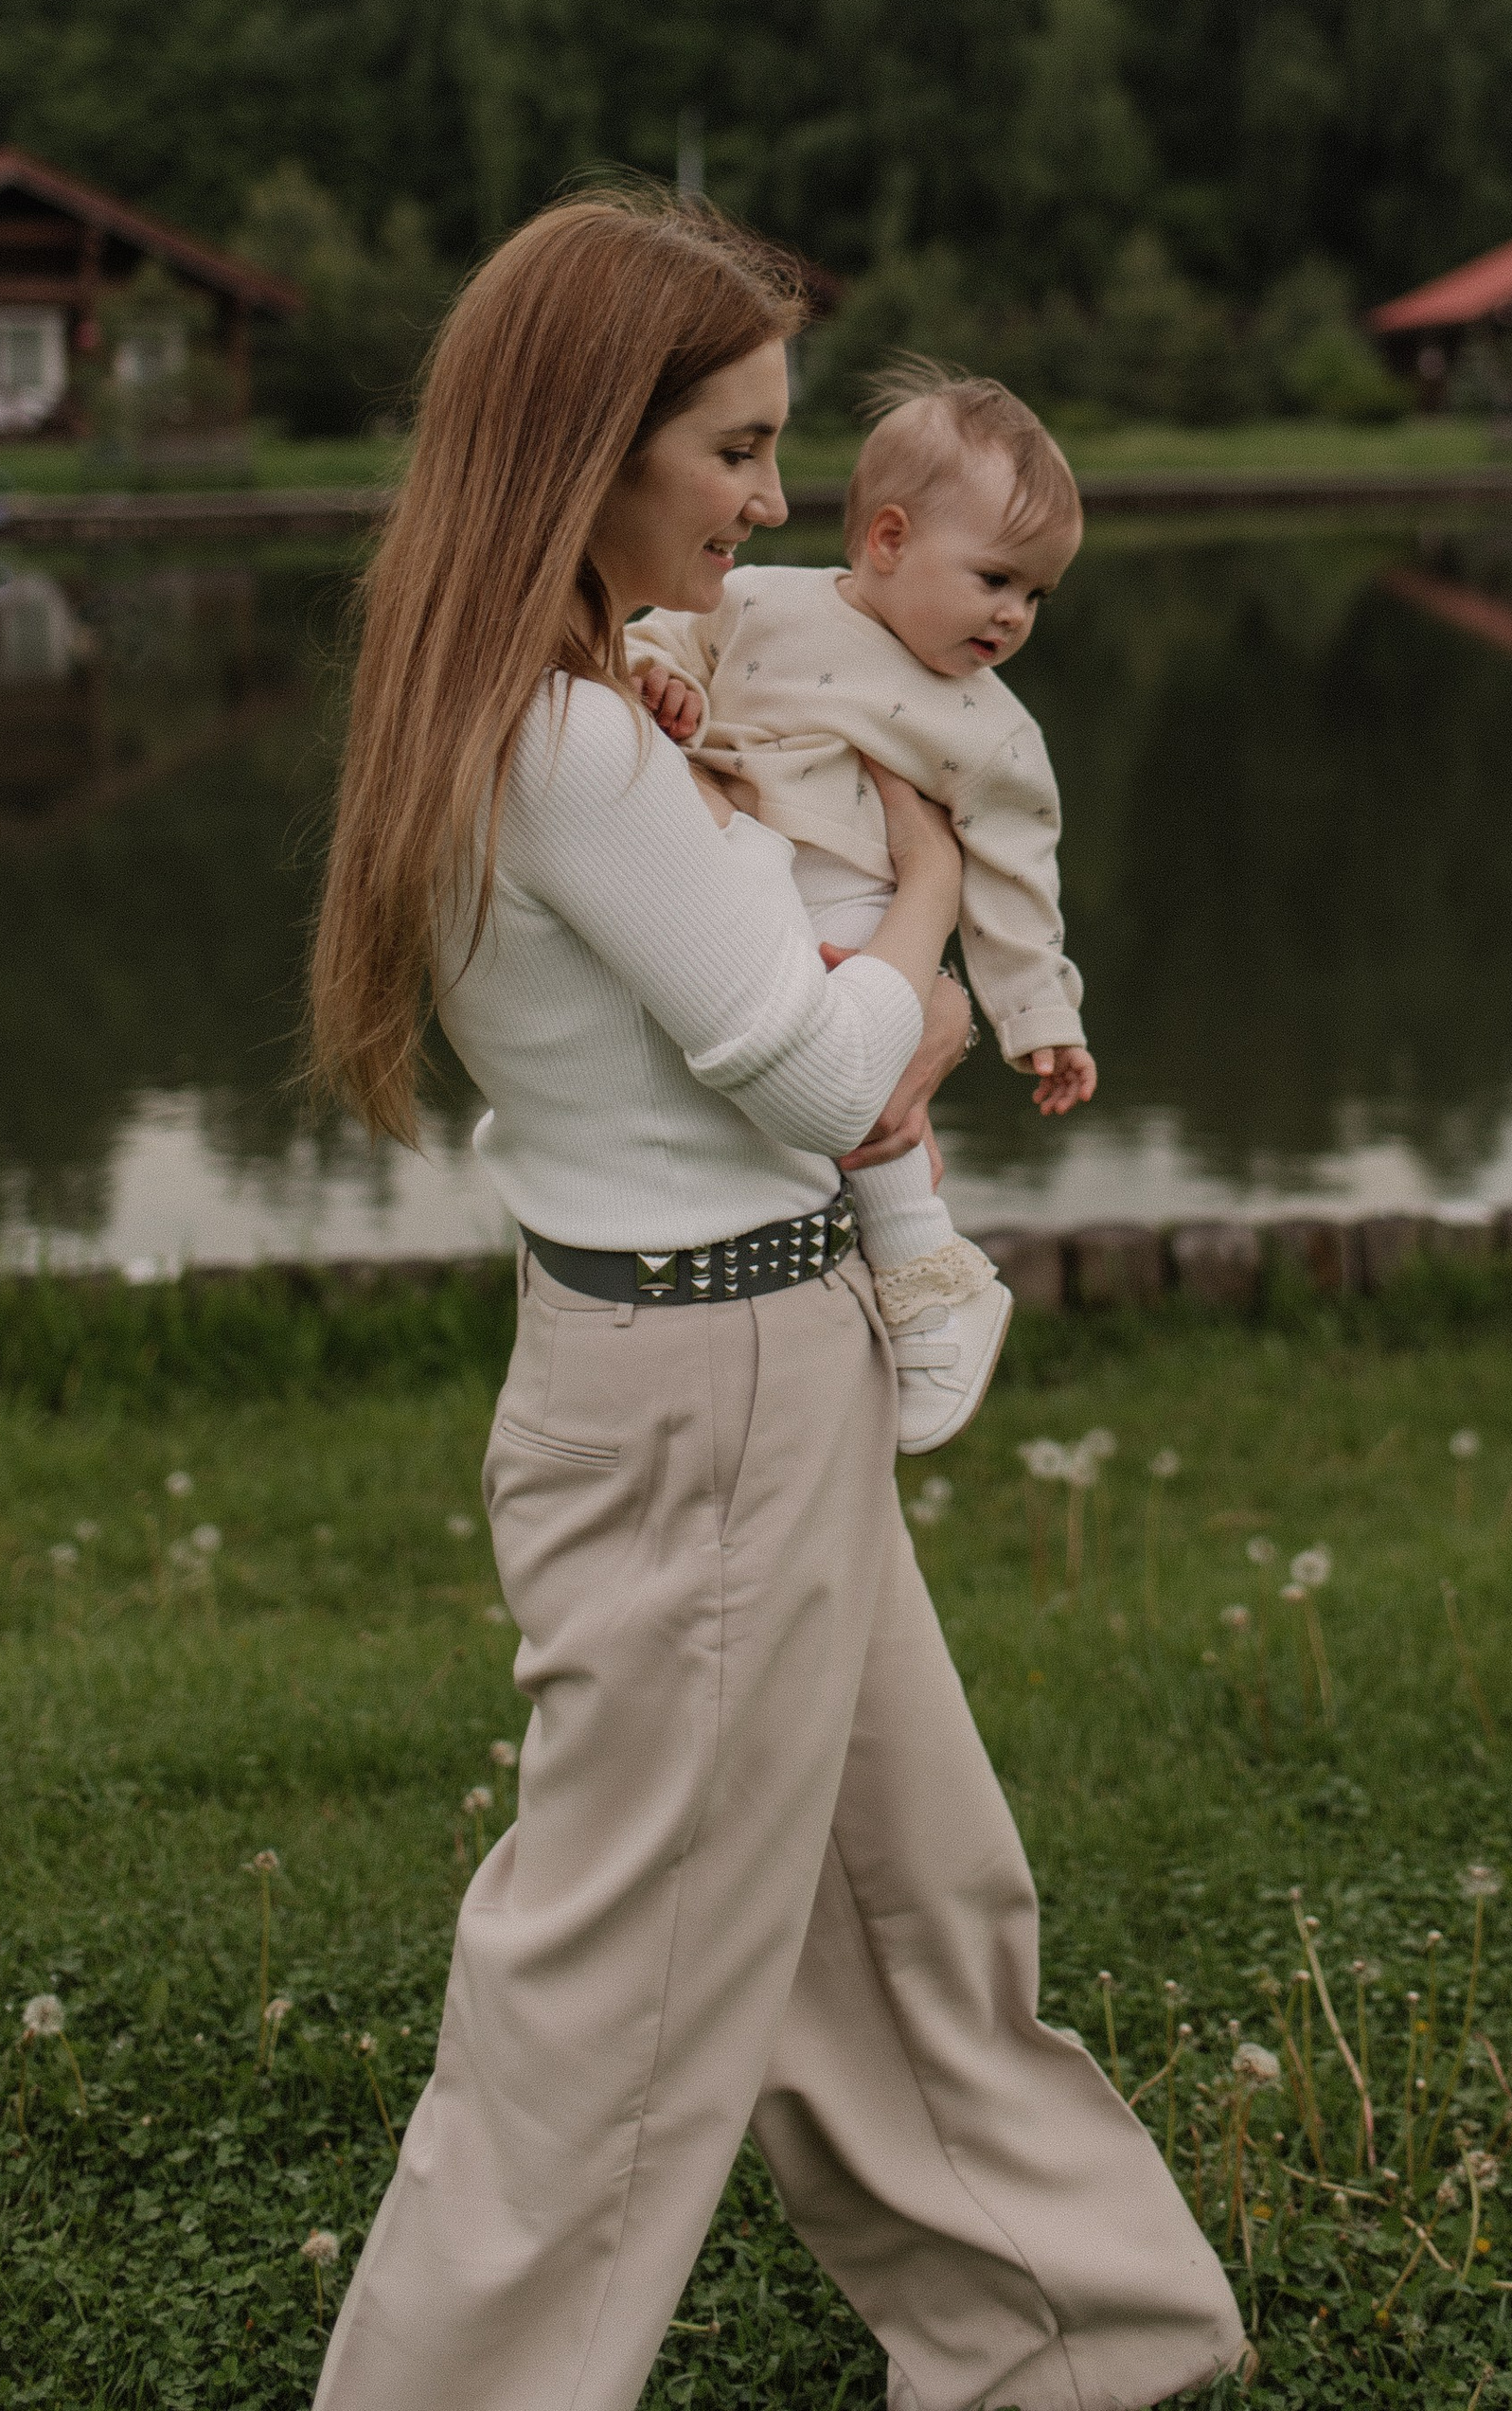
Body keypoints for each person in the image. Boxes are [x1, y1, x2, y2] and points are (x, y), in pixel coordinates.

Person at [306, 189, 1246, 2411]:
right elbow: (829, 1067)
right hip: (695, 1382)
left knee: (910, 1892)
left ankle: (1058, 2328)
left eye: (770, 446)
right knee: (603, 1990)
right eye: (729, 445)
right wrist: (925, 882)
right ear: (588, 441)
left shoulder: (615, 692)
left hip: (758, 1348)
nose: (767, 497)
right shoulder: (571, 741)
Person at [625, 363, 1094, 1456]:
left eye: (1036, 594)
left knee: (862, 1090)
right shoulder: (758, 601)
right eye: (993, 579)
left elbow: (1019, 884)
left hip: (861, 915)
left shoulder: (995, 729)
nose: (1014, 615)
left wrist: (1043, 1019)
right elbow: (659, 640)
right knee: (770, 1091)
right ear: (886, 538)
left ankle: (929, 1280)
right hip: (737, 886)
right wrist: (659, 680)